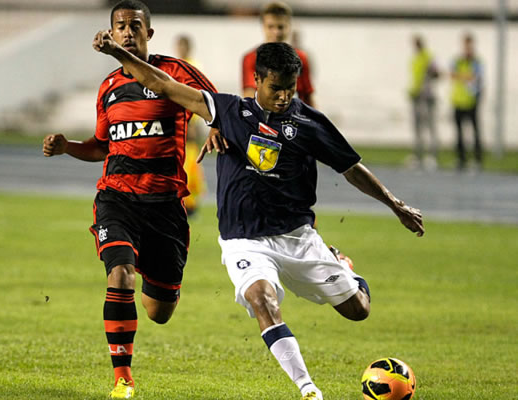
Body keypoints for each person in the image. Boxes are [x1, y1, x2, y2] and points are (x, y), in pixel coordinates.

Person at [92, 33, 424, 400]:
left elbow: (352, 168)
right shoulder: (231, 112)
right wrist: (117, 53)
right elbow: (162, 84)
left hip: (297, 237)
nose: (284, 96)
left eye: (291, 89)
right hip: (244, 241)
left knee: (358, 310)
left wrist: (396, 205)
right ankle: (308, 390)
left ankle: (344, 267)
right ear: (258, 81)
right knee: (262, 300)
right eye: (277, 88)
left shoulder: (310, 123)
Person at [42, 1, 216, 398]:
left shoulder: (175, 73)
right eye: (119, 26)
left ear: (149, 34)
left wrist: (217, 128)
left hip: (166, 206)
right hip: (116, 198)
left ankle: (161, 289)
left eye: (135, 25)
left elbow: (214, 104)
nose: (127, 31)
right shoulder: (109, 87)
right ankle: (123, 378)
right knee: (121, 275)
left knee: (159, 311)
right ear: (112, 31)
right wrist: (68, 146)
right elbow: (102, 145)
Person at [242, 1, 315, 107]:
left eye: (280, 27)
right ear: (263, 26)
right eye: (271, 27)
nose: (276, 32)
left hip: (294, 119)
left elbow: (307, 96)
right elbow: (249, 97)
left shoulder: (301, 58)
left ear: (289, 27)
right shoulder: (252, 58)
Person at [175, 34, 207, 215]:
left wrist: (193, 120)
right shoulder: (174, 67)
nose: (181, 49)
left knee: (191, 163)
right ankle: (184, 200)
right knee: (180, 162)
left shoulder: (193, 66)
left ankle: (191, 202)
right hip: (177, 120)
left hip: (190, 121)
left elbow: (196, 94)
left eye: (183, 46)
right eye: (179, 46)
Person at [450, 32, 484, 171]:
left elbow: (476, 77)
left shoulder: (476, 61)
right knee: (459, 132)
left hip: (471, 100)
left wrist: (462, 76)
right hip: (458, 100)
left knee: (475, 131)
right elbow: (452, 74)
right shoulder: (458, 60)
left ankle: (477, 159)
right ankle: (461, 158)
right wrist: (466, 76)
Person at [407, 34, 440, 170]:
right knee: (417, 128)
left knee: (430, 126)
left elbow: (436, 74)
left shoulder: (428, 57)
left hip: (427, 97)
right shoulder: (415, 59)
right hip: (416, 96)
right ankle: (418, 155)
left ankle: (432, 156)